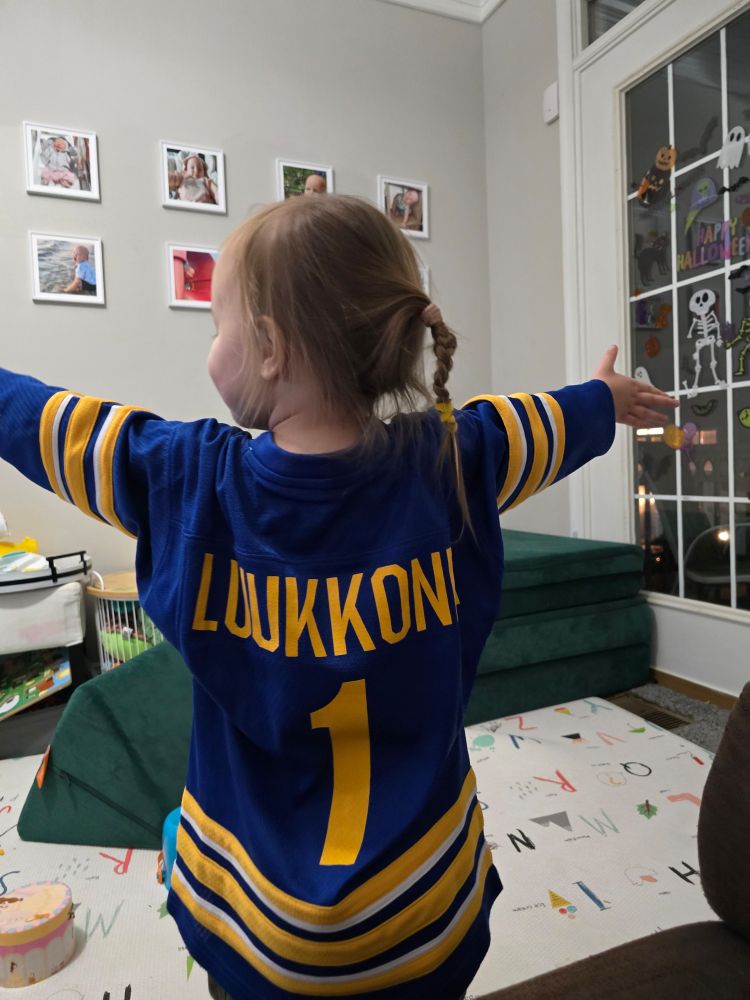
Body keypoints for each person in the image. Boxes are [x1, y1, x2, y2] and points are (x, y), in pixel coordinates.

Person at [0, 194, 676, 1000]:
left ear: (272, 347)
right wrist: (604, 398)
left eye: (216, 327)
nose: (211, 349)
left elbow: (53, 424)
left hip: (258, 926)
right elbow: (548, 422)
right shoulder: (456, 458)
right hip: (422, 909)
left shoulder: (187, 479)